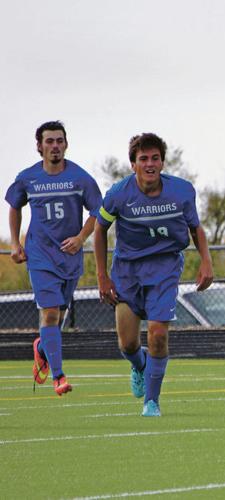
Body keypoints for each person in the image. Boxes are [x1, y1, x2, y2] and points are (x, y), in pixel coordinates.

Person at [94, 132, 214, 417]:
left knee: (158, 335)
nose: (150, 164)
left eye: (155, 158)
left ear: (162, 162)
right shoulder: (118, 194)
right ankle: (139, 365)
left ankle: (152, 402)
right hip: (127, 271)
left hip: (164, 267)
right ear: (133, 164)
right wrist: (102, 275)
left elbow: (195, 228)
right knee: (128, 344)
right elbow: (100, 230)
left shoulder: (182, 191)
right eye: (143, 159)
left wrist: (206, 261)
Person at [5, 121, 102, 396]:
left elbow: (98, 211)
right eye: (49, 141)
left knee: (57, 317)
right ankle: (59, 377)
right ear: (39, 146)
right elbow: (14, 206)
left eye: (59, 140)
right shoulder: (28, 178)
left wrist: (81, 238)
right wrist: (15, 243)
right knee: (48, 313)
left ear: (66, 144)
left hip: (69, 256)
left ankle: (42, 348)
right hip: (39, 255)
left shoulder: (81, 178)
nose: (55, 146)